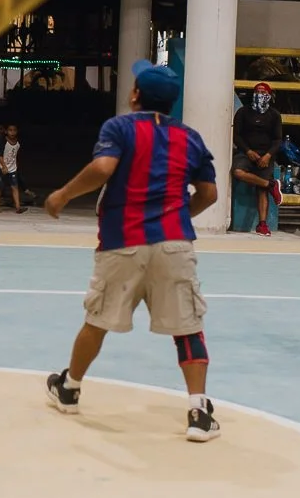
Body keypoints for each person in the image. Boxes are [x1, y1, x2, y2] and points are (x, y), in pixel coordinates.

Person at [42, 59, 222, 442]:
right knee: (188, 327)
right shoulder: (190, 138)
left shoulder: (119, 127)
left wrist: (62, 194)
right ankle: (198, 411)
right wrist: (178, 216)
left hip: (123, 240)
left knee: (98, 320)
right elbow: (209, 194)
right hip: (174, 243)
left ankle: (70, 387)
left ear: (136, 94)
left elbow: (104, 167)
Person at [231, 82, 284, 236]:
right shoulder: (243, 112)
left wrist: (268, 155)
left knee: (261, 191)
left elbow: (278, 139)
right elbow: (237, 135)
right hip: (246, 153)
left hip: (266, 155)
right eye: (258, 91)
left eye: (264, 92)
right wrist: (248, 151)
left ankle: (262, 225)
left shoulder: (274, 115)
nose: (260, 94)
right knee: (238, 172)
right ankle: (271, 185)